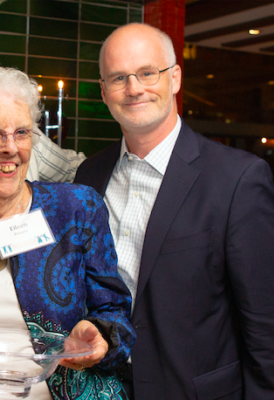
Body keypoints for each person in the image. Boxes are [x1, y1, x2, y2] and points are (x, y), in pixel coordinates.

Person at [74, 23, 274, 400]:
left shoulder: (238, 179)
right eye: (118, 77)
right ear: (104, 91)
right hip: (100, 389)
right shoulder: (90, 175)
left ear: (175, 77)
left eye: (147, 72)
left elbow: (269, 328)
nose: (133, 88)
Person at [0, 67, 134, 399]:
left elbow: (117, 314)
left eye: (21, 132)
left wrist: (99, 336)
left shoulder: (74, 209)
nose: (10, 147)